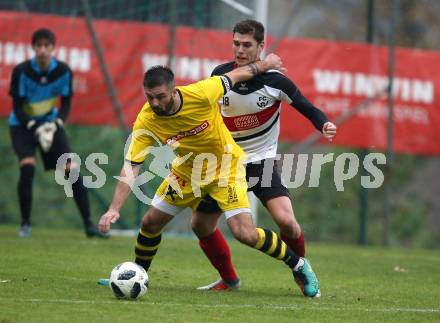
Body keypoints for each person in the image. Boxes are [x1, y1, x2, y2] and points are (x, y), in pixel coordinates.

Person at [98, 57, 321, 298]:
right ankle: (135, 275)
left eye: (160, 96)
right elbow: (131, 166)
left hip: (226, 168)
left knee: (244, 233)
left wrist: (265, 64)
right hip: (187, 173)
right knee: (150, 223)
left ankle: (299, 265)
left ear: (174, 91)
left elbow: (238, 75)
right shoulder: (147, 120)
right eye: (149, 96)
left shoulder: (202, 93)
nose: (155, 102)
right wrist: (114, 208)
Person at [192, 19, 336, 295]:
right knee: (200, 224)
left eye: (247, 45)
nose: (240, 50)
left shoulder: (276, 82)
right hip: (226, 164)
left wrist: (324, 124)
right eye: (236, 43)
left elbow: (308, 108)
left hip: (261, 162)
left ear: (261, 46)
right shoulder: (220, 75)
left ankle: (300, 269)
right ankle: (230, 280)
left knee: (287, 222)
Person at [8, 28, 106, 238]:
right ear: (33, 48)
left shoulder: (63, 71)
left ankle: (89, 225)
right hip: (23, 126)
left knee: (72, 169)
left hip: (51, 125)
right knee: (27, 169)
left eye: (47, 46)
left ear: (53, 48)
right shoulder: (21, 71)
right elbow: (17, 107)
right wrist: (34, 126)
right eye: (39, 46)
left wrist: (57, 122)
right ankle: (25, 225)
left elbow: (66, 103)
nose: (43, 50)